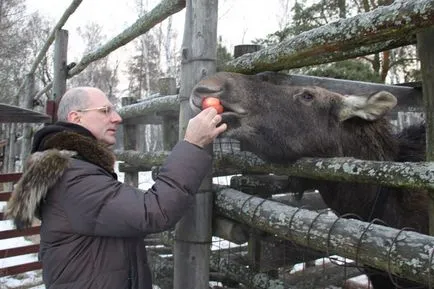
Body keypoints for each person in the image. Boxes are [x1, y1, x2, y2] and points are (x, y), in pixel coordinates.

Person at [6, 86, 226, 289]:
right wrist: (193, 144)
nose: (117, 118)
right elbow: (154, 211)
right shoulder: (73, 177)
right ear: (76, 117)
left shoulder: (73, 168)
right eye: (105, 110)